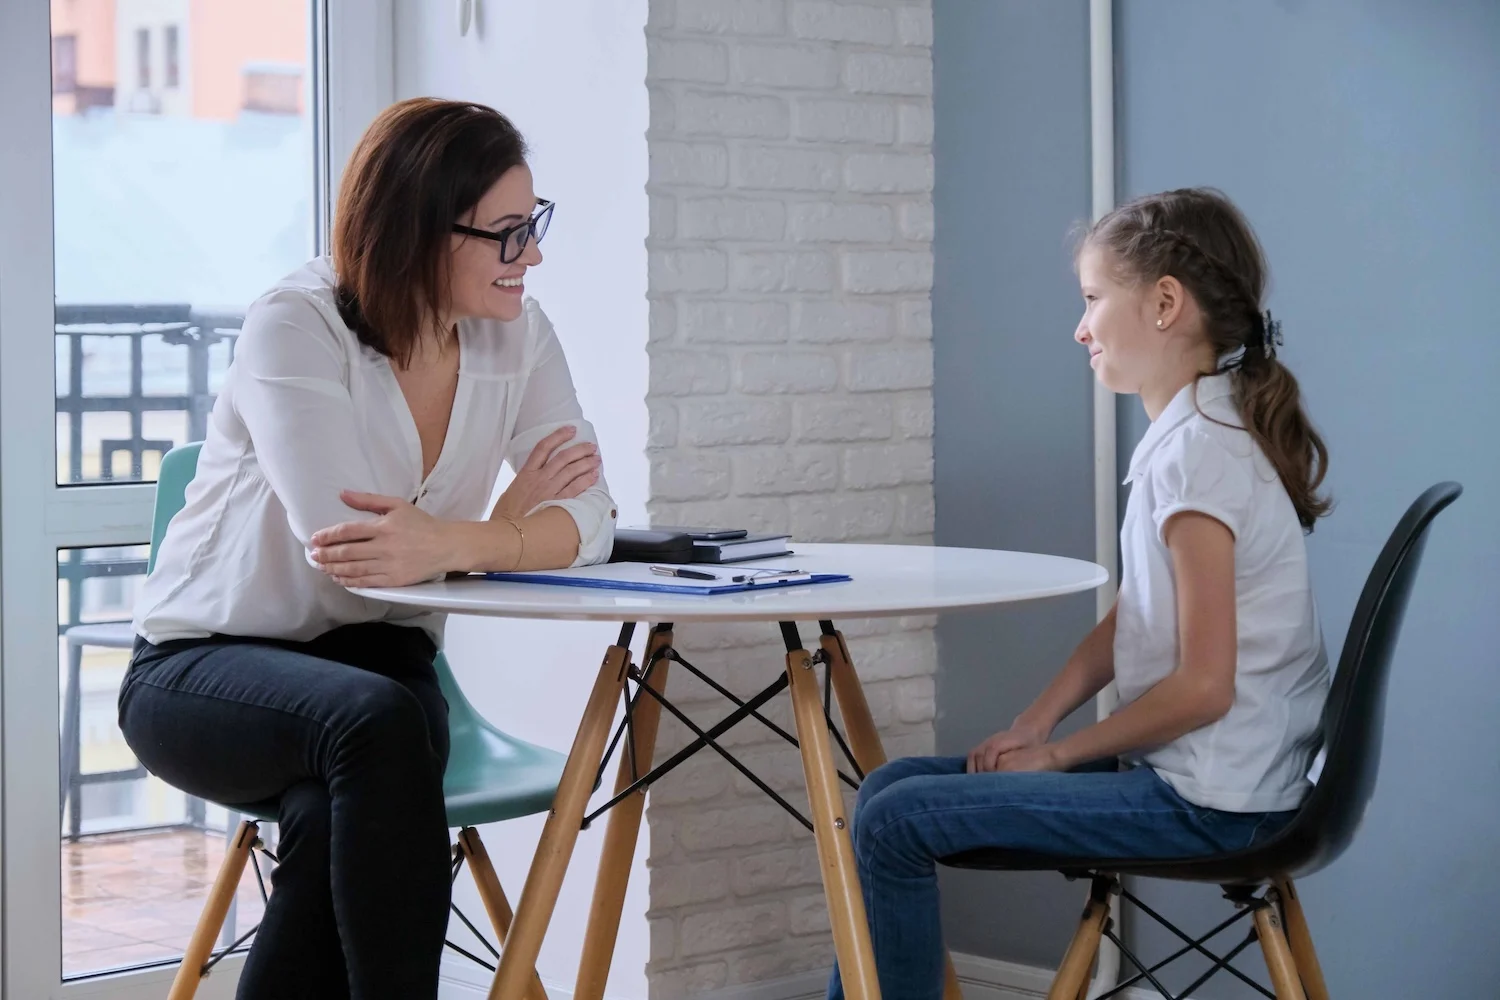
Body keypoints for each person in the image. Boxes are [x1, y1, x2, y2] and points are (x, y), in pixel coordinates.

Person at [120, 98, 616, 1000]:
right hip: (202, 669)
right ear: (423, 230)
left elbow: (590, 518)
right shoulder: (295, 325)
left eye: (533, 227)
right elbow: (351, 546)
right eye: (509, 233)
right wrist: (509, 529)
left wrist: (461, 539)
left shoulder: (520, 334)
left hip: (381, 668)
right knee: (377, 726)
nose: (532, 256)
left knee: (333, 807)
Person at [828, 188, 1332, 999]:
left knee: (892, 821)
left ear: (1164, 304)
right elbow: (1135, 619)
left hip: (1216, 806)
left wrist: (1057, 756)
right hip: (1220, 785)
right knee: (887, 790)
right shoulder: (1201, 435)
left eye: (1093, 299)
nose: (1080, 327)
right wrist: (1033, 723)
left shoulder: (1197, 459)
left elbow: (1205, 687)